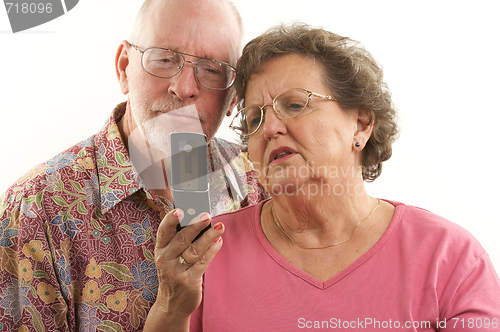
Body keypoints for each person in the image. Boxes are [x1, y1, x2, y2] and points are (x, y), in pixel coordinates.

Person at [155, 23, 500, 331]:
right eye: (255, 118)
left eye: (294, 105)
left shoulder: (450, 258)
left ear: (361, 124)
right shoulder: (207, 257)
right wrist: (172, 308)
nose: (270, 128)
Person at [0, 0, 268, 331]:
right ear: (124, 67)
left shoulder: (257, 180)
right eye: (166, 59)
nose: (184, 89)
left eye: (212, 70)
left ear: (233, 97)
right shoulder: (36, 208)